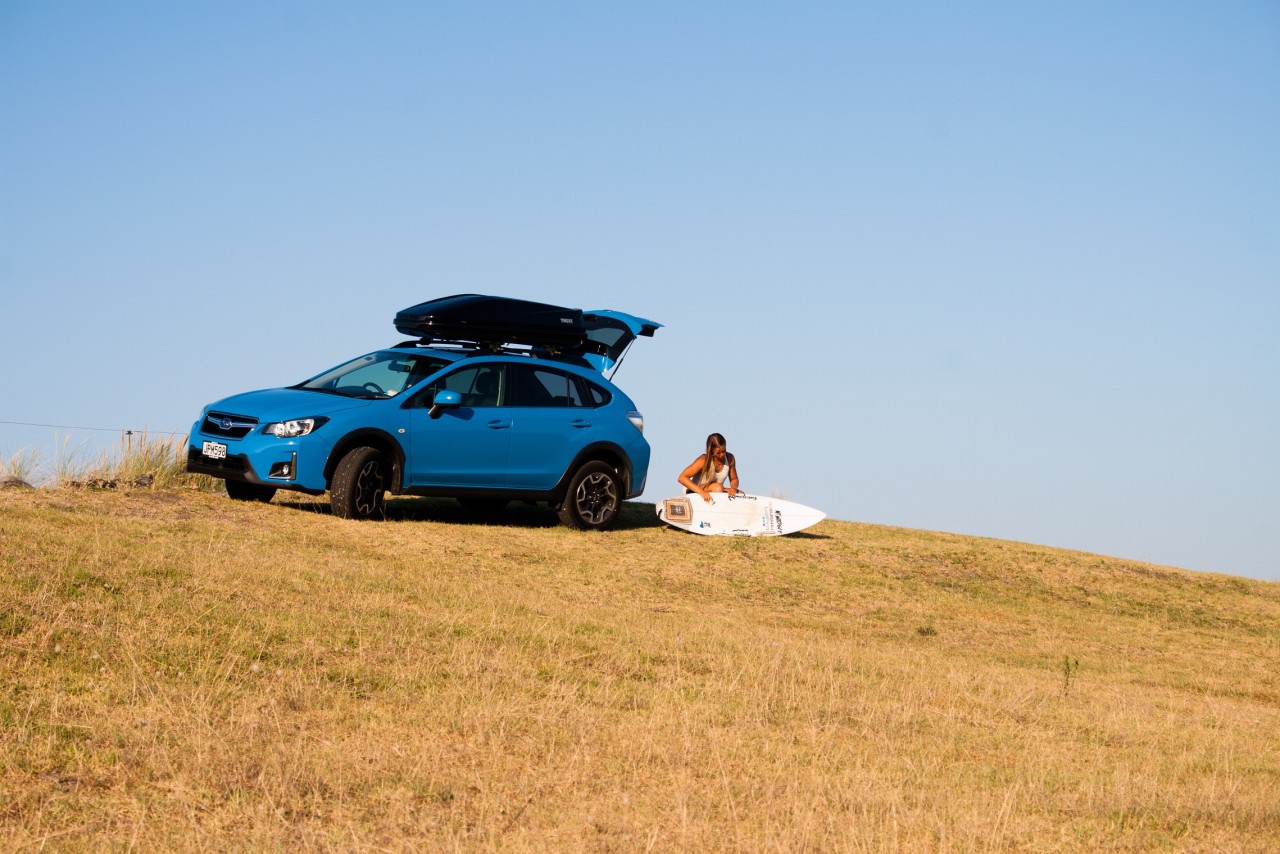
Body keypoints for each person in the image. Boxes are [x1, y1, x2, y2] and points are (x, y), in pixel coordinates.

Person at [678, 432, 741, 502]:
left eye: (724, 451)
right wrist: (701, 492)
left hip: (716, 489)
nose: (722, 455)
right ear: (711, 451)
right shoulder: (702, 460)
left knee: (740, 494)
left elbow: (734, 479)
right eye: (718, 453)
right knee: (718, 487)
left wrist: (734, 488)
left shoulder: (730, 458)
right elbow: (682, 478)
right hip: (693, 490)